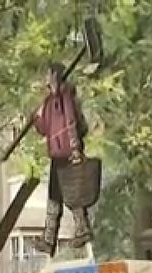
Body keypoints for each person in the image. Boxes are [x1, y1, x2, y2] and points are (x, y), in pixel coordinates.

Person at [32, 62, 92, 255]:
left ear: (55, 76)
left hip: (67, 152)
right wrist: (35, 117)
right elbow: (45, 129)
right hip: (56, 154)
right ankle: (50, 239)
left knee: (71, 192)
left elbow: (70, 122)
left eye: (48, 74)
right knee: (54, 195)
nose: (45, 78)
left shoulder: (65, 97)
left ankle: (80, 229)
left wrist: (75, 148)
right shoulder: (49, 102)